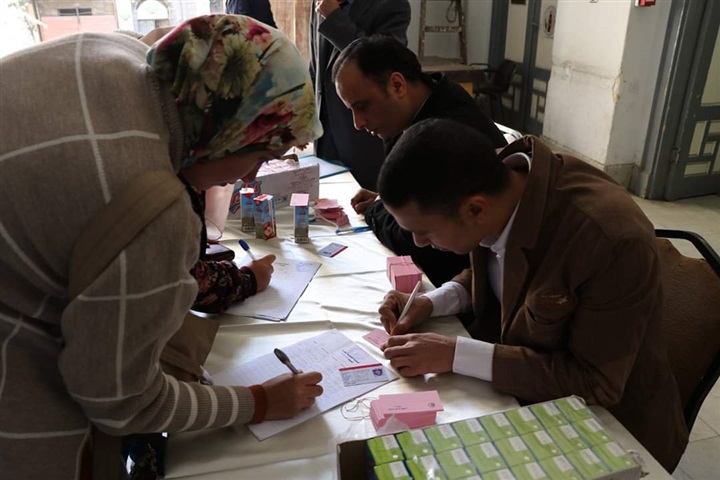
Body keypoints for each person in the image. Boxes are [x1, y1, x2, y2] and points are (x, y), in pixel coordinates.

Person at [0, 15, 324, 478]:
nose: (249, 177)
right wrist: (257, 402)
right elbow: (122, 402)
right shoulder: (154, 206)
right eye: (261, 155)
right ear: (230, 132)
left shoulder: (123, 53)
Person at [375, 119, 689, 470]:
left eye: (424, 232)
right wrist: (431, 301)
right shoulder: (496, 184)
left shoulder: (607, 239)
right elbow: (496, 268)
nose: (418, 243)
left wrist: (455, 354)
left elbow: (594, 382)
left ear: (475, 209)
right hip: (525, 387)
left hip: (611, 428)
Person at [332, 35, 507, 286]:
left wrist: (376, 210)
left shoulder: (444, 133)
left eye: (363, 106)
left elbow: (416, 242)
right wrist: (385, 203)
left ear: (397, 85)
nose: (358, 123)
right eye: (351, 110)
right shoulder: (416, 106)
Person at [310, 0, 411, 190]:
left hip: (363, 142)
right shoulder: (320, 2)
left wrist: (334, 19)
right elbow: (316, 66)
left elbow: (383, 64)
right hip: (324, 140)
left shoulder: (392, 4)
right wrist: (304, 119)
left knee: (368, 204)